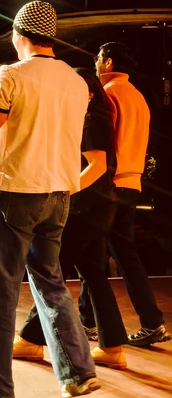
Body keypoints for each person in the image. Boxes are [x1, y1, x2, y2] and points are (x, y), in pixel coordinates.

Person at [0, 1, 98, 398]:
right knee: (51, 281)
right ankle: (79, 372)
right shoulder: (76, 80)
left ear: (19, 35)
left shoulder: (11, 75)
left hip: (17, 193)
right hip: (59, 194)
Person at [15, 67, 129, 370]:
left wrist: (64, 191)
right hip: (99, 206)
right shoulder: (96, 113)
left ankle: (30, 340)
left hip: (86, 208)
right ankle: (113, 347)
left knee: (51, 270)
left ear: (86, 90)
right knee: (93, 274)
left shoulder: (91, 117)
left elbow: (97, 165)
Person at [86, 42, 170, 346]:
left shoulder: (107, 94)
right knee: (114, 253)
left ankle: (147, 321)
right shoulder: (138, 97)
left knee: (95, 253)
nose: (95, 63)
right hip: (132, 182)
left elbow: (103, 143)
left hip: (109, 184)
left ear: (108, 62)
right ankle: (96, 320)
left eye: (98, 58)